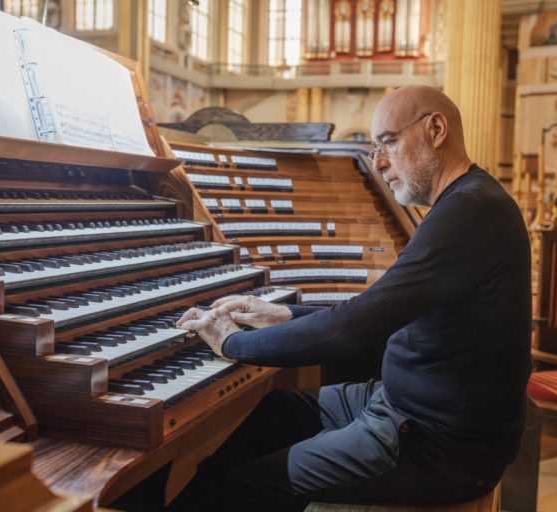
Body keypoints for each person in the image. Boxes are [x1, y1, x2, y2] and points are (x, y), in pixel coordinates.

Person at [174, 85, 532, 511]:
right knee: (272, 412)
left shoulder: (471, 211)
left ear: (436, 129)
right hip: (399, 404)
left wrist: (231, 342)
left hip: (436, 445)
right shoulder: (466, 201)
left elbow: (353, 328)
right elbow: (375, 310)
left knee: (247, 485)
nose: (378, 162)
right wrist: (282, 313)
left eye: (388, 142)